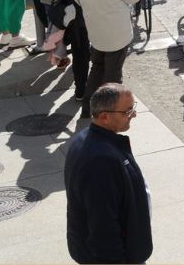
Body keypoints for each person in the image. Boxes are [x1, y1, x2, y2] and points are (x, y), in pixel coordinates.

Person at [64, 83, 152, 264]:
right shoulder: (100, 161)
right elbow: (102, 225)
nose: (133, 114)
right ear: (104, 116)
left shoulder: (88, 139)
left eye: (133, 108)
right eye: (127, 111)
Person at [72, 0, 141, 116]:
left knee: (96, 69)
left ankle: (88, 108)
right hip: (118, 36)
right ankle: (112, 112)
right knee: (113, 75)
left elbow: (77, 0)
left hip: (96, 35)